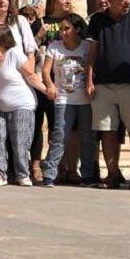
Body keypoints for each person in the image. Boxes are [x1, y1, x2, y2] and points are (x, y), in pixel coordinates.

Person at [84, 0, 130, 190]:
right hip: (103, 85)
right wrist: (89, 79)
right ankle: (112, 174)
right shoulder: (97, 21)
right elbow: (92, 52)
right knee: (107, 130)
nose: (127, 2)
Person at [0, 24, 47, 187]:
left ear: (3, 37)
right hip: (0, 105)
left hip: (22, 104)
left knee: (20, 141)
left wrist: (47, 91)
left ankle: (23, 174)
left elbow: (31, 75)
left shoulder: (15, 53)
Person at [40, 13, 97, 187]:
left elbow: (93, 66)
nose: (63, 33)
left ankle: (88, 174)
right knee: (60, 136)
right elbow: (45, 70)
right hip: (63, 98)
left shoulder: (87, 46)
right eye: (61, 29)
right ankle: (49, 173)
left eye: (67, 29)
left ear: (77, 29)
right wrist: (50, 85)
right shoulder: (54, 47)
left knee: (87, 137)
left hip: (85, 99)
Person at [32, 0, 74, 180]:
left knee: (59, 125)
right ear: (53, 1)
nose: (67, 1)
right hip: (42, 80)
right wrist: (40, 34)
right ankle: (36, 165)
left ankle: (59, 165)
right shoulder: (41, 22)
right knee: (38, 123)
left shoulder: (74, 21)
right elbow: (29, 48)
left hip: (65, 81)